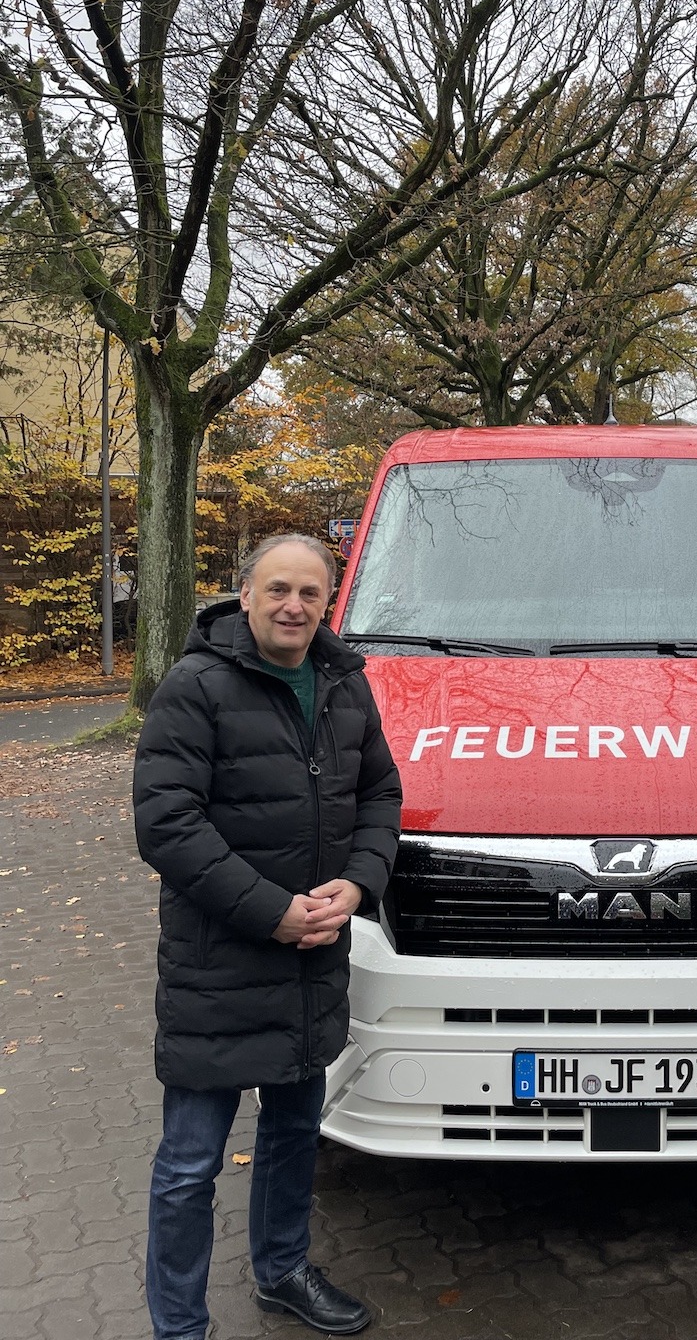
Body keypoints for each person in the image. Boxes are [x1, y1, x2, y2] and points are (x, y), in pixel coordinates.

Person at [134, 534, 402, 1340]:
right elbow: (168, 825)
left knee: (292, 1134)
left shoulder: (345, 684)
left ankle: (283, 1272)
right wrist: (270, 911)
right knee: (190, 1162)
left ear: (327, 603)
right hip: (219, 965)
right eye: (278, 589)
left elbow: (381, 793)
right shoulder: (195, 686)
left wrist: (359, 882)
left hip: (313, 960)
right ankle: (179, 1325)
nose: (293, 606)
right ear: (244, 594)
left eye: (310, 593)